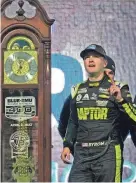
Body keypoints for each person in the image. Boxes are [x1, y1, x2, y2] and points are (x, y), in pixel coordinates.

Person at [60, 44, 136, 182]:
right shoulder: (77, 89)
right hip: (82, 154)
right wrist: (67, 145)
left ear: (104, 62)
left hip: (108, 154)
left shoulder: (119, 87)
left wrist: (120, 99)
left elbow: (134, 118)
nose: (90, 59)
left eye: (95, 56)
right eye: (87, 57)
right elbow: (73, 121)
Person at [58, 55, 136, 152]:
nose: (106, 77)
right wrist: (74, 149)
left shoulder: (119, 96)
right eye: (103, 73)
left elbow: (130, 124)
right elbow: (63, 126)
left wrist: (115, 147)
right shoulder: (78, 95)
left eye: (110, 73)